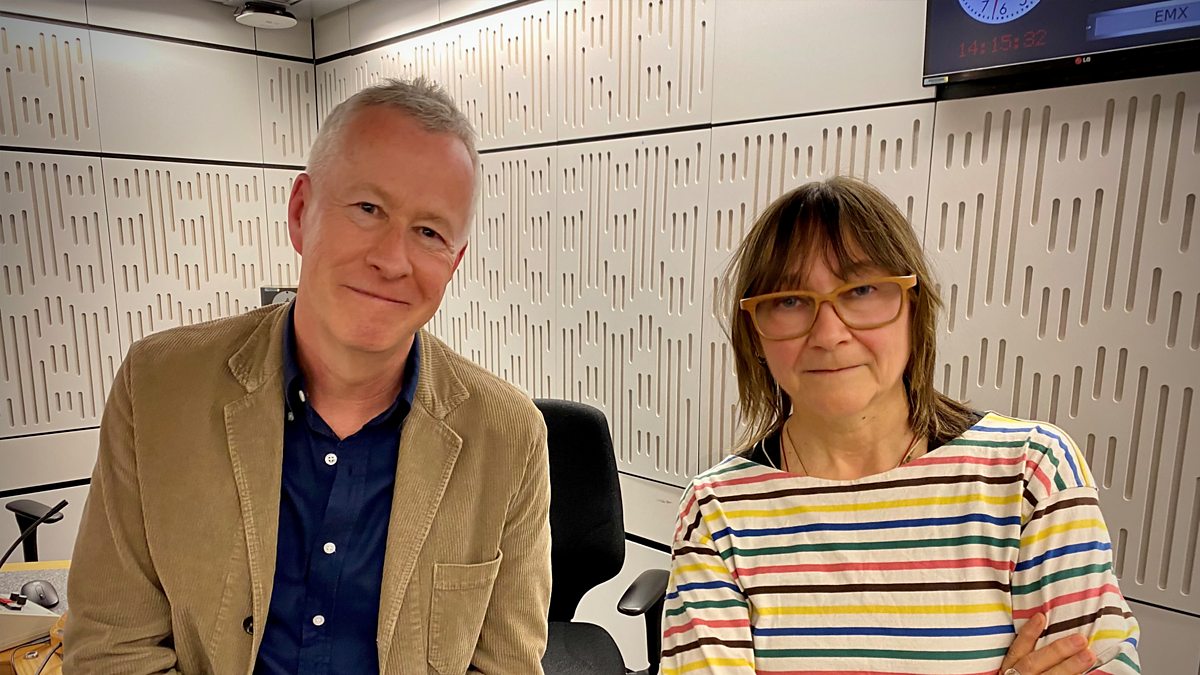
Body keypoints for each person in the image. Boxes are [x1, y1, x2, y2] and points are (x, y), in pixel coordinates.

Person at [64, 78, 552, 674]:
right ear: (301, 212)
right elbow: (111, 649)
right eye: (368, 209)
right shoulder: (157, 388)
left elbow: (506, 666)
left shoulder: (509, 437)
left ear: (454, 262)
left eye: (429, 232)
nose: (391, 260)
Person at [661, 177, 1139, 674]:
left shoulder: (1029, 472)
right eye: (789, 301)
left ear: (914, 307)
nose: (829, 334)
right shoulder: (716, 509)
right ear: (754, 333)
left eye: (862, 290)